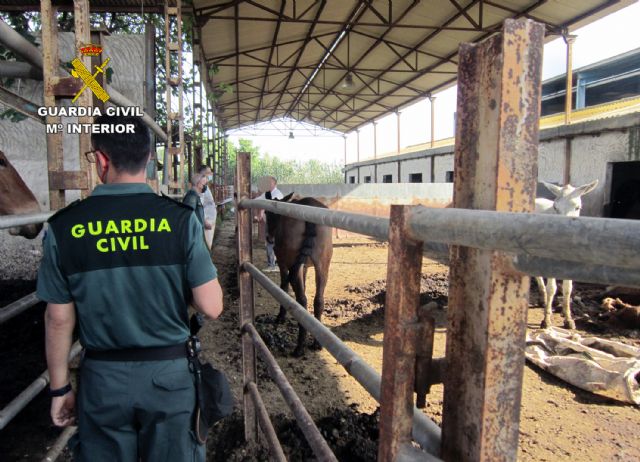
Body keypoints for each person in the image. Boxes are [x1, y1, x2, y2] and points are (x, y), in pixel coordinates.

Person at [37, 114, 223, 462]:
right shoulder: (180, 220)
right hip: (169, 379)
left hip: (102, 382)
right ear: (149, 159)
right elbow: (211, 306)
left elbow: (58, 321)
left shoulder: (63, 227)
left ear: (102, 160)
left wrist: (60, 388)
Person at [257, 175, 283, 272]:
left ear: (275, 184)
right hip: (271, 222)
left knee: (271, 241)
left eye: (270, 182)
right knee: (271, 242)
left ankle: (272, 265)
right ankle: (274, 263)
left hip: (276, 223)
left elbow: (270, 205)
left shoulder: (277, 194)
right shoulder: (267, 193)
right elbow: (259, 200)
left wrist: (262, 211)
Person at [196, 165, 217, 249]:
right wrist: (205, 222)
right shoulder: (201, 187)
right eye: (209, 172)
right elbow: (199, 205)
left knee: (208, 244)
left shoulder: (205, 186)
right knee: (206, 246)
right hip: (206, 222)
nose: (211, 174)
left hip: (209, 220)